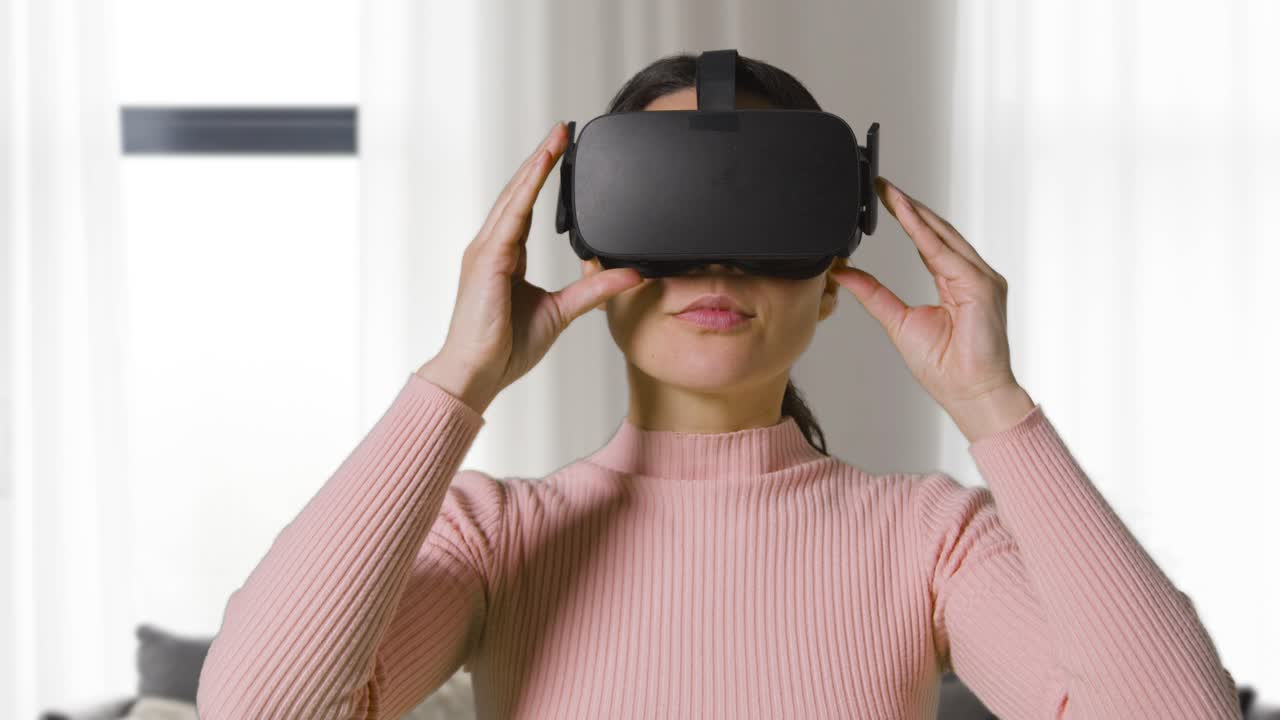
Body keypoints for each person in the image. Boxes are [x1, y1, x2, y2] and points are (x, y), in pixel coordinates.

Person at [195, 53, 1242, 719]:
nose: (716, 265)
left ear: (830, 279)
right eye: (670, 217)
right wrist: (455, 382)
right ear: (596, 258)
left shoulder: (928, 537)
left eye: (763, 215)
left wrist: (993, 411)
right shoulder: (498, 538)